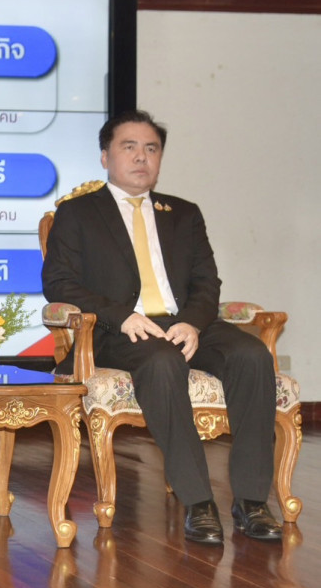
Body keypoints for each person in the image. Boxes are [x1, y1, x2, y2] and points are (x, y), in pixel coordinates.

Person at [42, 110, 282, 545]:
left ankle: (251, 501)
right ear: (105, 156)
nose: (141, 157)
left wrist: (192, 322)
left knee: (251, 355)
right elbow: (59, 283)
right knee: (162, 361)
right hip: (117, 330)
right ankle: (199, 502)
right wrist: (121, 315)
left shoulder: (183, 213)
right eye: (129, 147)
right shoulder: (78, 213)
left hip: (184, 322)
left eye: (151, 148)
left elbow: (207, 283)